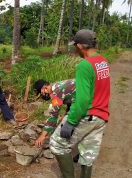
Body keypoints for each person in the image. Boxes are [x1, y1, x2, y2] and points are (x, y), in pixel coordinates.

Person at [50, 29, 110, 178]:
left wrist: (70, 122)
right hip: (101, 117)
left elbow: (82, 100)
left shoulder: (84, 65)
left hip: (88, 115)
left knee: (57, 144)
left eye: (75, 45)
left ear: (81, 46)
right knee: (88, 154)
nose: (75, 48)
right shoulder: (103, 62)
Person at [33, 79, 75, 147]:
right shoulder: (56, 85)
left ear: (44, 87)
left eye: (41, 93)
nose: (42, 95)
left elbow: (53, 115)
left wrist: (43, 135)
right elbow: (72, 97)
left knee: (69, 127)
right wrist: (65, 114)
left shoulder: (56, 92)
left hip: (90, 99)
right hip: (90, 91)